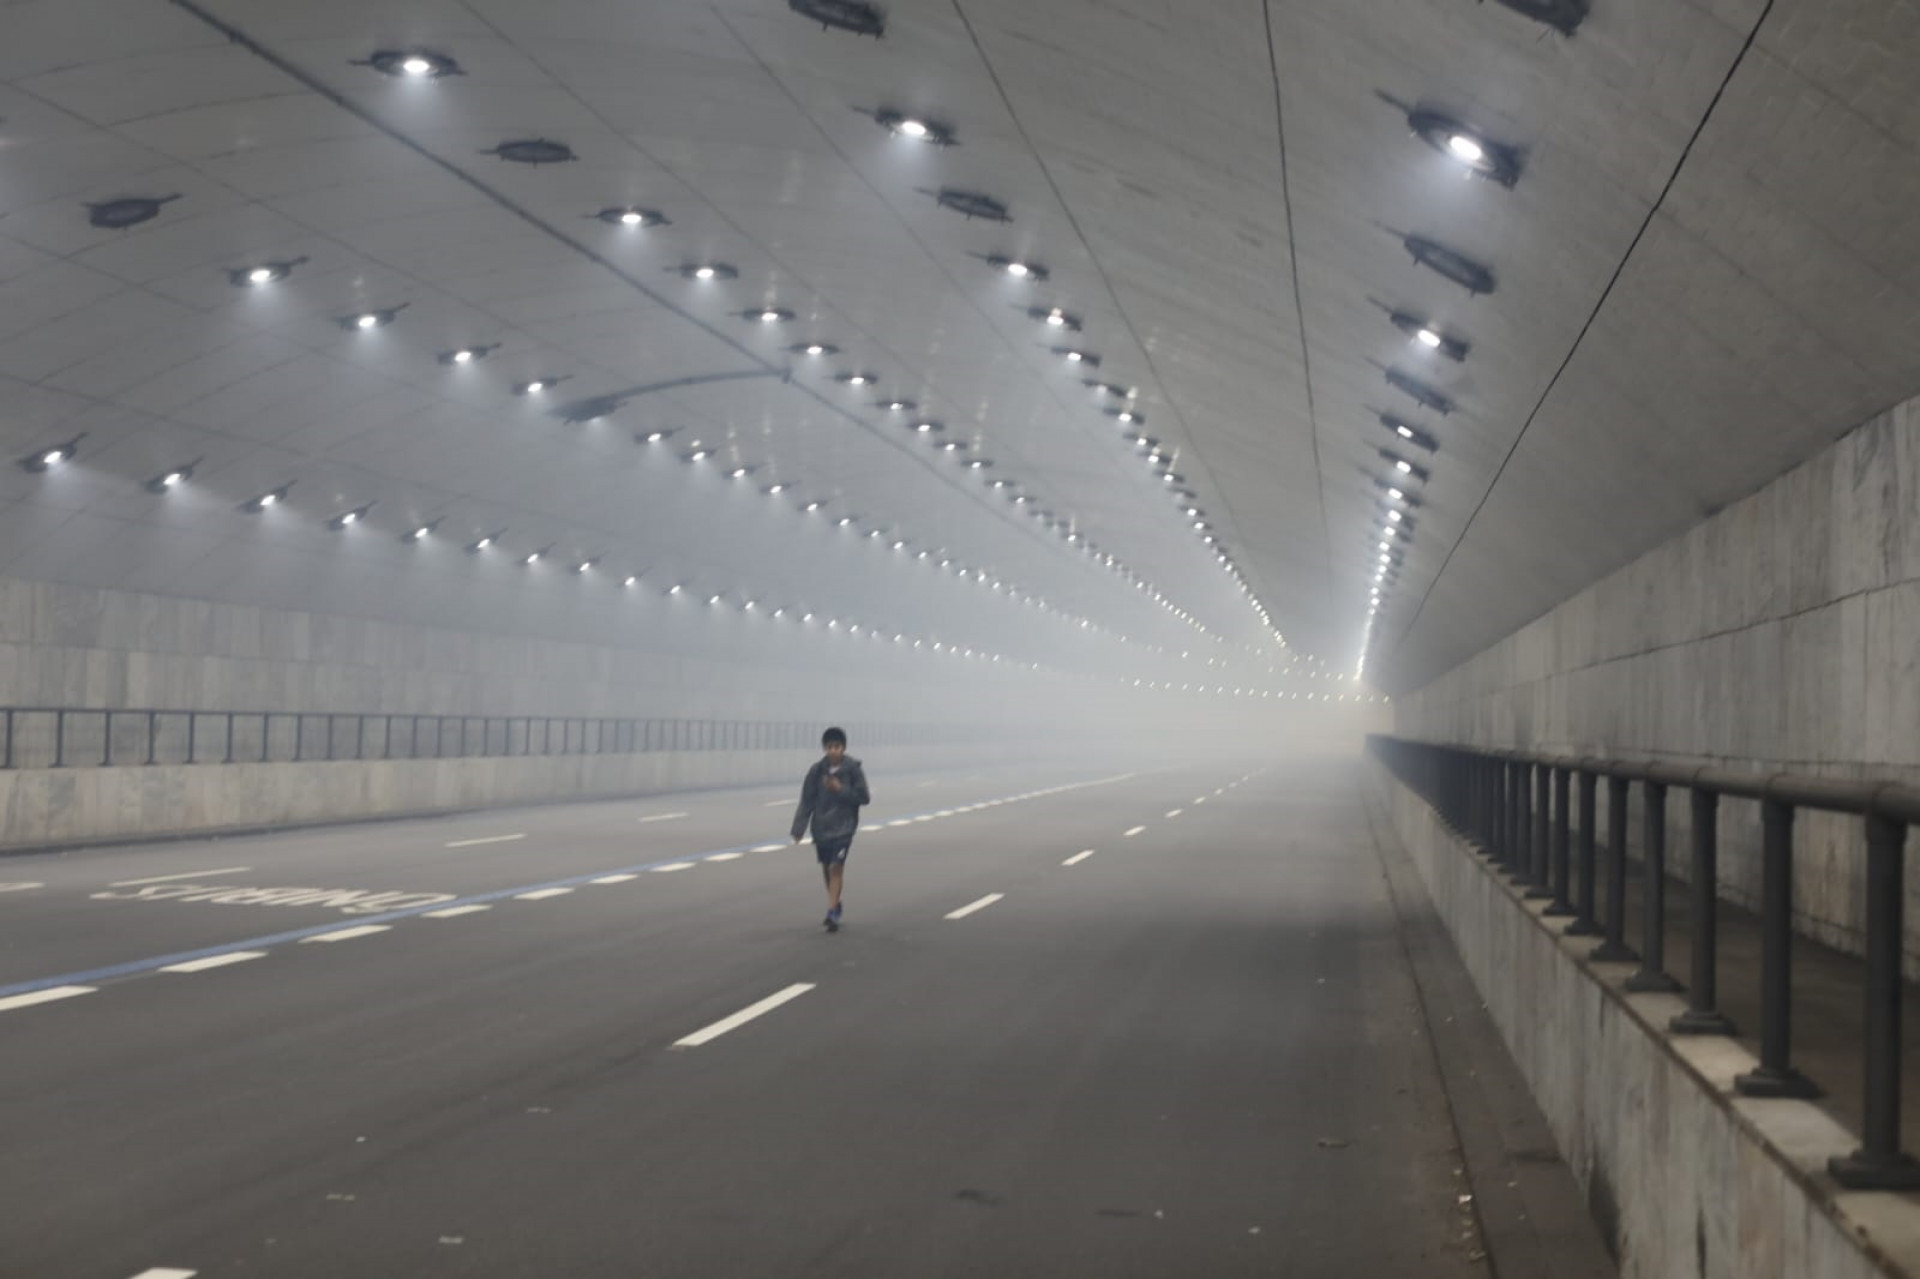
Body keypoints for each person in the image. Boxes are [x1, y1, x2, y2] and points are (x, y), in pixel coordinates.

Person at [790, 726, 870, 931]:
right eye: (829, 747)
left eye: (837, 747)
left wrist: (840, 789)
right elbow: (807, 800)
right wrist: (799, 828)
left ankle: (832, 912)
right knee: (827, 868)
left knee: (836, 866)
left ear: (843, 748)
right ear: (825, 749)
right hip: (821, 828)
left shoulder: (853, 770)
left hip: (844, 829)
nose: (833, 750)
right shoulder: (816, 771)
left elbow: (863, 798)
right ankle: (835, 901)